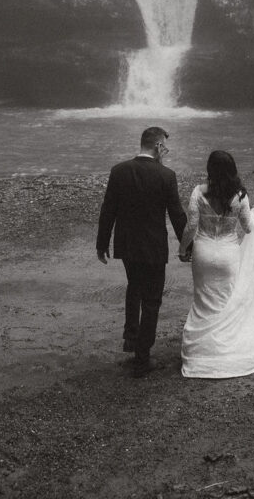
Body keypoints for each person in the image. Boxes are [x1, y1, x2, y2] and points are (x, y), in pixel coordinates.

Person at [96, 126, 187, 378]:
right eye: (164, 148)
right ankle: (142, 358)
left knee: (134, 287)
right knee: (152, 300)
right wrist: (186, 245)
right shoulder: (166, 175)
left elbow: (108, 210)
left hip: (127, 245)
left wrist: (101, 244)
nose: (165, 153)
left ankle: (131, 339)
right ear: (158, 147)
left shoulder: (119, 171)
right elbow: (177, 215)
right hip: (154, 246)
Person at [179, 150, 254, 378]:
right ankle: (224, 350)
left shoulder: (198, 192)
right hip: (228, 255)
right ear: (232, 170)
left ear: (210, 170)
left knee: (203, 300)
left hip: (203, 251)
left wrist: (182, 249)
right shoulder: (240, 196)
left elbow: (191, 226)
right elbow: (248, 228)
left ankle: (200, 353)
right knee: (224, 301)